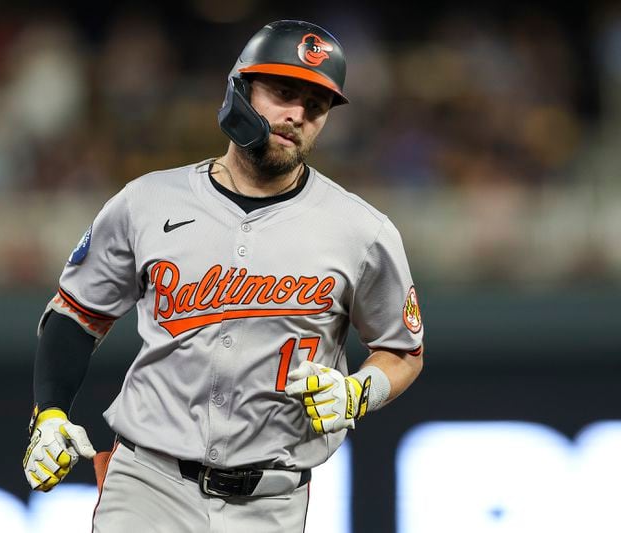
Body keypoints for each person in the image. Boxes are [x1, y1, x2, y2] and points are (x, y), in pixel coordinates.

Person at [22, 19, 424, 533]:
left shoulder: (360, 230)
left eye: (315, 106)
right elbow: (76, 314)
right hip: (148, 484)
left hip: (272, 498)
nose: (296, 114)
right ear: (240, 87)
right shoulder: (147, 201)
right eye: (282, 92)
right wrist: (50, 413)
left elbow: (404, 350)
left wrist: (358, 391)